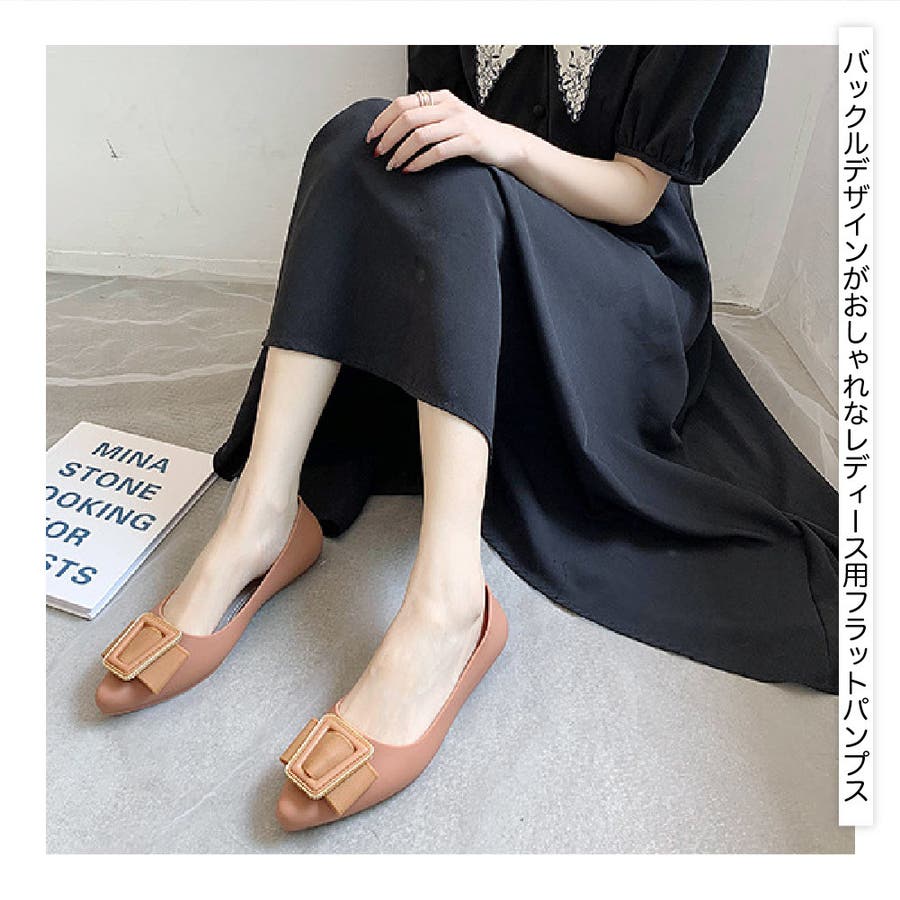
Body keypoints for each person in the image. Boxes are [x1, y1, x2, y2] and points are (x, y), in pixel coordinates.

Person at [95, 45, 838, 831]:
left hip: (619, 289)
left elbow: (634, 196)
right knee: (353, 137)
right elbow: (428, 126)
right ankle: (260, 515)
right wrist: (468, 141)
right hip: (476, 245)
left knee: (456, 178)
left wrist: (500, 142)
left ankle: (449, 602)